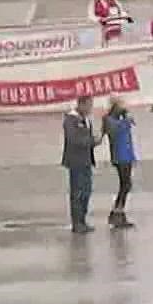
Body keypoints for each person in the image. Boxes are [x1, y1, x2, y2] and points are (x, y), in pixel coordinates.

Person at [61, 95, 100, 234]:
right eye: (89, 105)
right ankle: (77, 222)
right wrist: (91, 141)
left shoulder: (86, 119)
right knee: (77, 192)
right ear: (81, 105)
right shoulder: (71, 120)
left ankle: (83, 219)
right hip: (76, 161)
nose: (90, 109)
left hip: (86, 161)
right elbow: (74, 139)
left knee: (86, 191)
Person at [103, 97, 137, 228]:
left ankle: (119, 212)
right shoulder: (109, 119)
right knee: (125, 184)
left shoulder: (121, 118)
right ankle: (117, 212)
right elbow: (113, 131)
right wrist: (125, 121)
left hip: (127, 155)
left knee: (126, 184)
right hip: (119, 156)